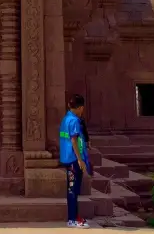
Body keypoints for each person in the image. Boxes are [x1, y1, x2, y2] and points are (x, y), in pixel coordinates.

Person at [60, 94, 92, 229]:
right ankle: (72, 219)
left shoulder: (66, 118)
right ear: (80, 108)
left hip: (67, 157)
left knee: (72, 189)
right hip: (74, 160)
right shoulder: (74, 121)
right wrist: (80, 160)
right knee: (73, 189)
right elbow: (74, 140)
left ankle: (74, 217)